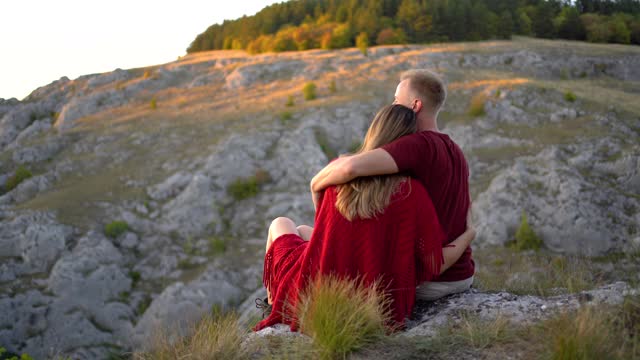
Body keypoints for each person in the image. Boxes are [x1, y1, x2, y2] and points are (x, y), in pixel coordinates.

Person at [254, 104, 475, 332]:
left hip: (325, 287)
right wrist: (469, 234)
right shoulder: (413, 193)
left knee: (281, 223)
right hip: (374, 298)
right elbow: (433, 263)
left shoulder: (337, 182)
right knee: (301, 229)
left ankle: (273, 303)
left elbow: (324, 234)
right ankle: (274, 302)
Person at [310, 69, 474, 301]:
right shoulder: (455, 150)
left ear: (415, 105)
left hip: (428, 280)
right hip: (461, 273)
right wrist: (469, 234)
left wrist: (315, 184)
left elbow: (350, 167)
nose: (393, 104)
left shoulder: (418, 144)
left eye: (397, 100)